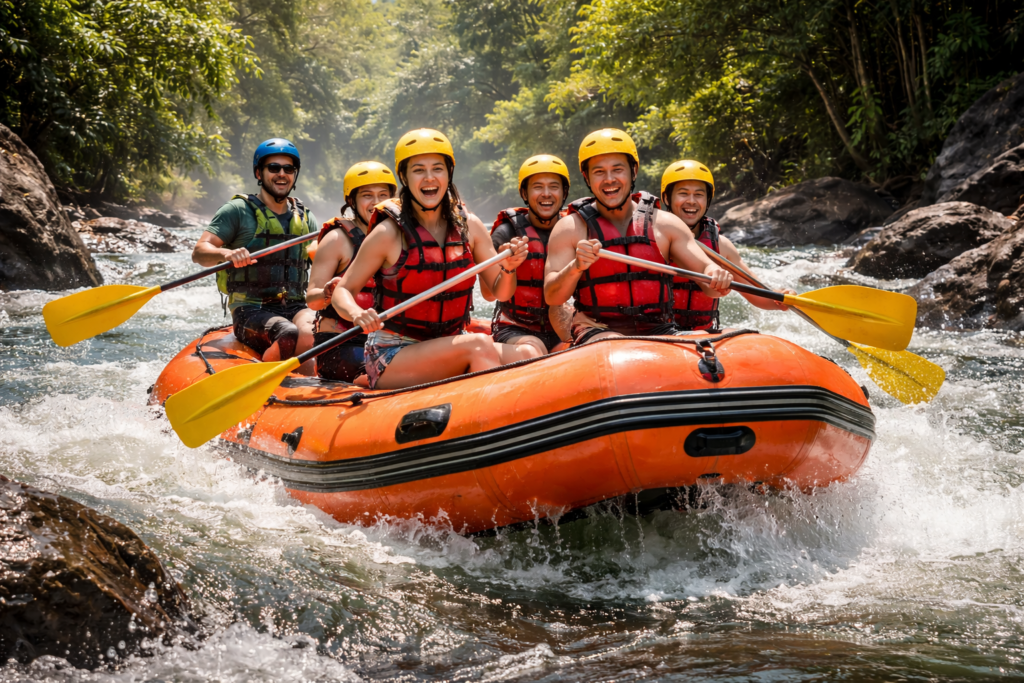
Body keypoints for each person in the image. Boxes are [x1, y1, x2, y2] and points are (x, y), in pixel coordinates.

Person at [332, 128, 529, 389]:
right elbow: (342, 291)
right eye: (418, 170)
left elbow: (498, 293)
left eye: (437, 168)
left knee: (529, 353)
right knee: (478, 345)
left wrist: (509, 269)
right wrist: (357, 313)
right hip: (394, 353)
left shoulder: (470, 227)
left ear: (449, 173)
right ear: (404, 177)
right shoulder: (388, 233)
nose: (429, 178)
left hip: (449, 342)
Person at [544, 129, 733, 344]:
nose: (609, 179)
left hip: (660, 330)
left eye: (617, 170)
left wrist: (715, 274)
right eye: (599, 172)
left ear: (633, 171)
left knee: (708, 341)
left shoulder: (666, 225)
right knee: (614, 343)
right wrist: (575, 267)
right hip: (599, 332)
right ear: (587, 177)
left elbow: (708, 278)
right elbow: (552, 296)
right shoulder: (569, 229)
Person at [192, 138, 318, 365]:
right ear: (259, 173)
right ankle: (271, 381)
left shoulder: (306, 217)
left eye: (288, 169)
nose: (282, 174)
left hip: (296, 306)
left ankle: (304, 381)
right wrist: (226, 254)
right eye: (274, 168)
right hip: (251, 309)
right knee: (287, 333)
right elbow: (200, 252)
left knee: (313, 333)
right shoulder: (237, 211)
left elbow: (322, 260)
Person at [660, 159, 793, 329]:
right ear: (666, 198)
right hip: (657, 332)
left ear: (708, 200)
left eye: (699, 194)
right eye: (683, 193)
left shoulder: (721, 246)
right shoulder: (654, 238)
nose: (691, 201)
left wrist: (780, 298)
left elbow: (758, 294)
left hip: (701, 334)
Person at [306, 161, 397, 382]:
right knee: (385, 373)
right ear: (351, 201)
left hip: (385, 341)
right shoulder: (337, 240)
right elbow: (312, 300)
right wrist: (326, 292)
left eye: (383, 195)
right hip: (341, 342)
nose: (376, 202)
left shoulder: (397, 237)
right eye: (367, 195)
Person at [489, 155, 574, 360]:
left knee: (579, 351)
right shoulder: (505, 233)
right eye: (538, 187)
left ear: (564, 193)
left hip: (561, 326)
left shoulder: (574, 230)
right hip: (515, 328)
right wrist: (507, 267)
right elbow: (491, 293)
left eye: (554, 186)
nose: (546, 194)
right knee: (533, 350)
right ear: (524, 193)